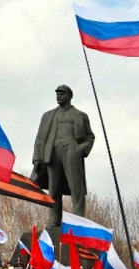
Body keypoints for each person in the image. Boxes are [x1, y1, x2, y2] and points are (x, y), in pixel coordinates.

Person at [32, 84, 95, 227]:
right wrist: (37, 158)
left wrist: (80, 149)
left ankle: (78, 219)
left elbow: (89, 137)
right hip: (52, 154)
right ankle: (54, 220)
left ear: (70, 96)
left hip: (72, 152)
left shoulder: (80, 115)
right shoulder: (47, 116)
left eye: (62, 93)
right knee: (53, 188)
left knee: (76, 188)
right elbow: (40, 139)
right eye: (57, 94)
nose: (59, 96)